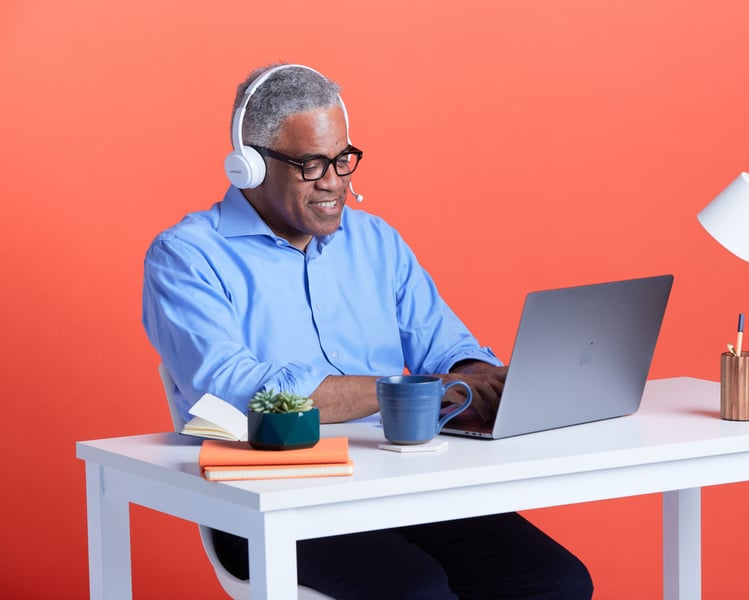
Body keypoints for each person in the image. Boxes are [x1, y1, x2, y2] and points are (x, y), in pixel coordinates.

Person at [142, 62, 594, 599]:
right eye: (311, 164)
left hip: (397, 481)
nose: (334, 182)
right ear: (250, 167)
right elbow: (238, 393)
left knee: (556, 582)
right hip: (269, 498)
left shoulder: (377, 242)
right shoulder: (186, 256)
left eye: (342, 159)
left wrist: (486, 381)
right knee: (417, 590)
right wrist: (409, 392)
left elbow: (447, 349)